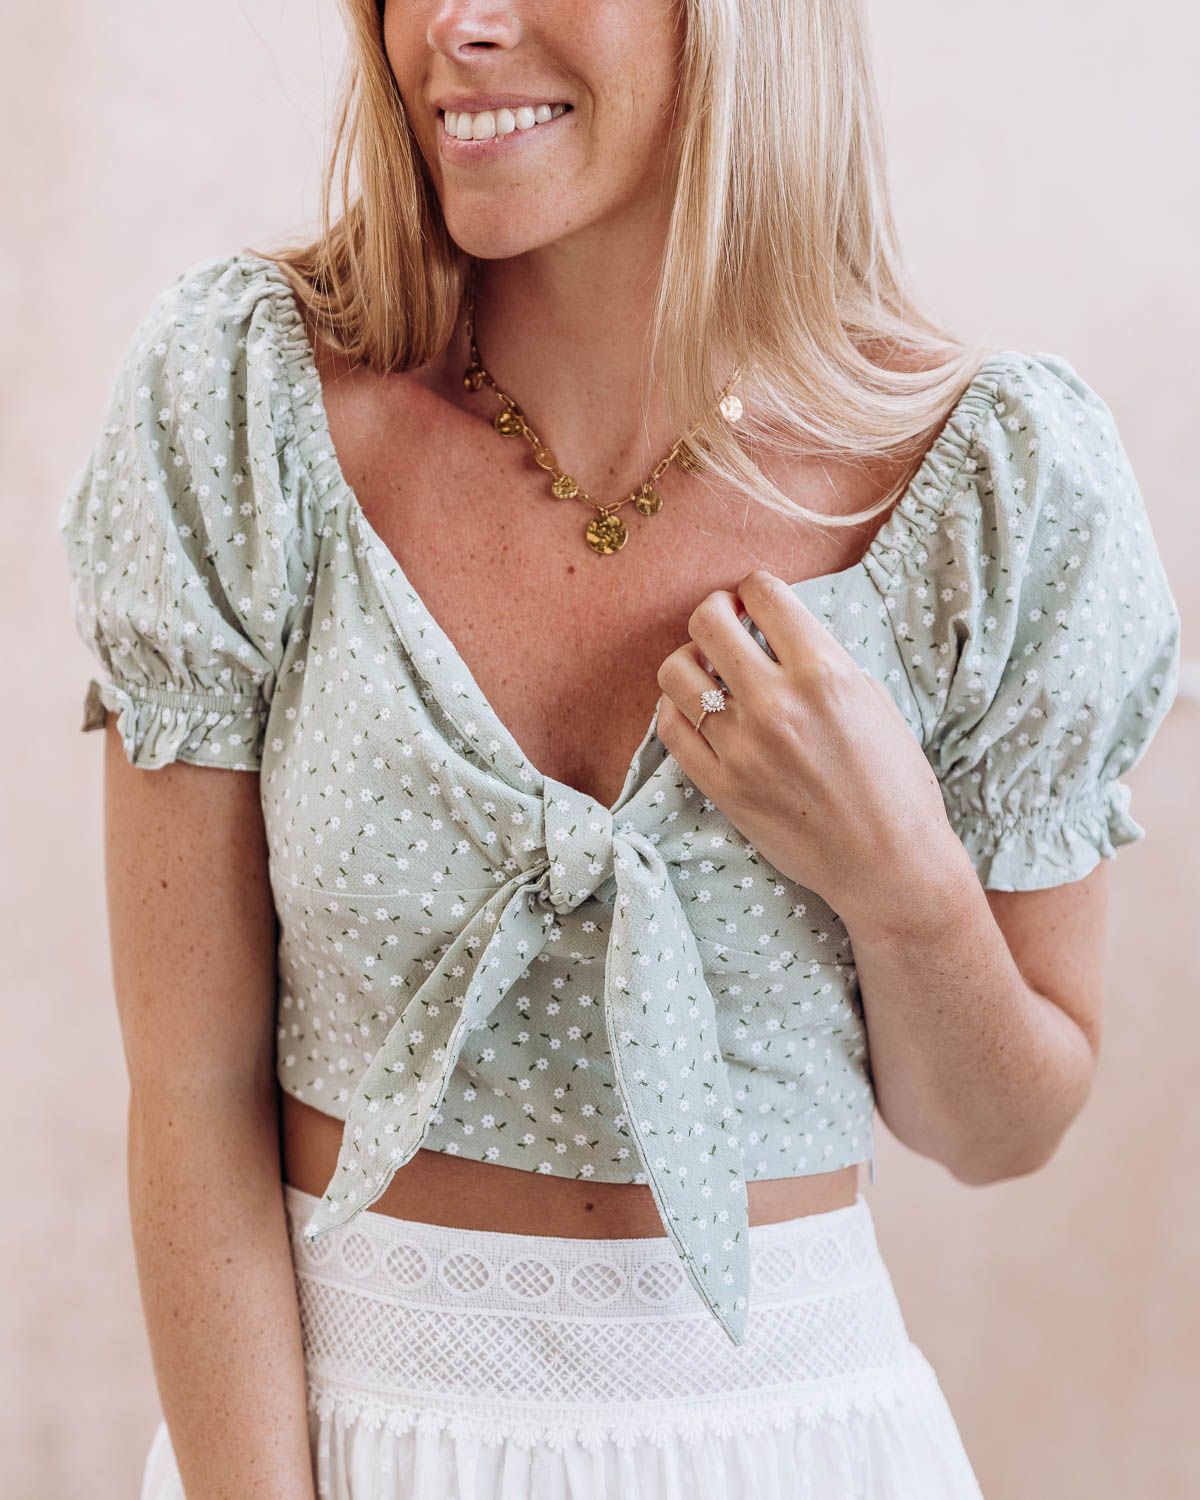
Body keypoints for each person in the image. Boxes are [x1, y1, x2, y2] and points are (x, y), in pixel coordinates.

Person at [57, 0, 1181, 1496]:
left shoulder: (995, 483)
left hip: (796, 1451)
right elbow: (191, 1097)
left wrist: (901, 876)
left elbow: (1001, 1131)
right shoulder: (246, 404)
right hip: (336, 1441)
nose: (456, 27)